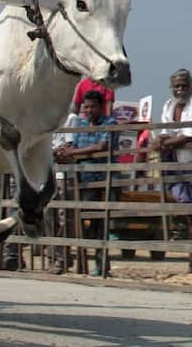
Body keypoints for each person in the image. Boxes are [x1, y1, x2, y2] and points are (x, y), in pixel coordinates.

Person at [54, 90, 118, 276]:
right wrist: (70, 152)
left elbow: (101, 147)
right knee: (84, 221)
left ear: (101, 107)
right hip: (83, 181)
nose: (88, 110)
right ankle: (85, 263)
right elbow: (73, 147)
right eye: (86, 107)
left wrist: (73, 153)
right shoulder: (80, 124)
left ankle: (102, 265)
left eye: (92, 107)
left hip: (104, 180)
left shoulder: (110, 123)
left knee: (102, 223)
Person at [151, 68, 192, 273]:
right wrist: (161, 140)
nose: (180, 89)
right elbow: (165, 132)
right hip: (179, 163)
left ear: (191, 86)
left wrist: (165, 142)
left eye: (184, 86)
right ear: (172, 88)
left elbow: (190, 135)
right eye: (177, 86)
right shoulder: (168, 105)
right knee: (191, 213)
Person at [49, 110, 81, 274]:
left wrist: (53, 153)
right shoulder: (44, 116)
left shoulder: (70, 118)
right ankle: (54, 256)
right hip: (47, 172)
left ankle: (62, 257)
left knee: (63, 218)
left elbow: (68, 149)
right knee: (49, 217)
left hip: (63, 173)